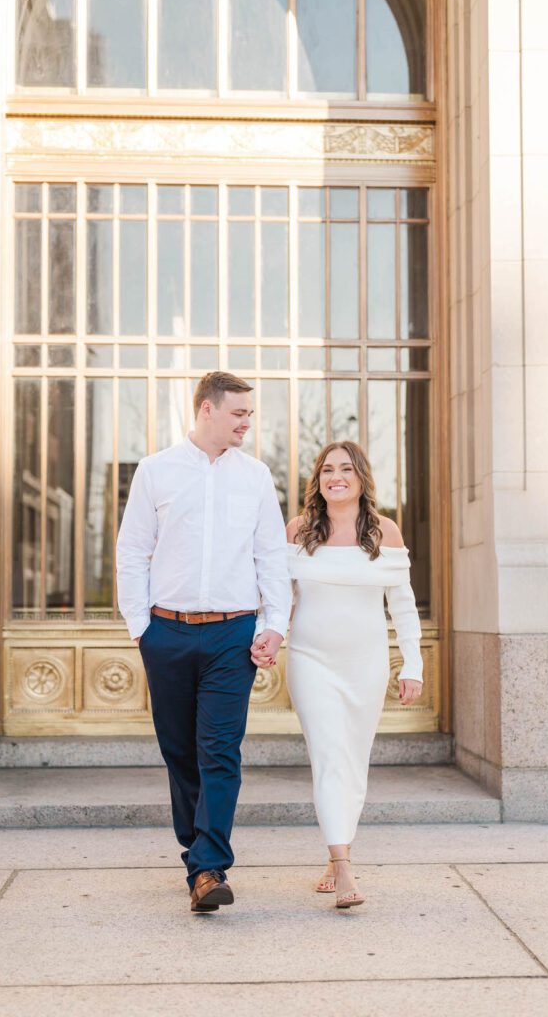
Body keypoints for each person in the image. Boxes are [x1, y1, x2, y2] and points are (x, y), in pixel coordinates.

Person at [117, 371, 291, 912]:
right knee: (180, 752)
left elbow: (270, 555)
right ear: (206, 410)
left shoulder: (257, 477)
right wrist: (141, 630)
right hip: (165, 631)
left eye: (249, 415)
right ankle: (198, 857)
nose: (246, 423)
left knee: (220, 750)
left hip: (232, 634)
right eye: (238, 413)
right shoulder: (155, 471)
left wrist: (274, 623)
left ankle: (210, 866)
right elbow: (131, 553)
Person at [252, 441, 423, 909]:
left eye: (346, 469)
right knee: (328, 755)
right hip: (311, 660)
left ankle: (336, 850)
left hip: (366, 664)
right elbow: (277, 597)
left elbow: (403, 606)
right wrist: (268, 635)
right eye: (328, 470)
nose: (336, 477)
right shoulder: (299, 530)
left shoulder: (383, 531)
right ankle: (344, 868)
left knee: (354, 760)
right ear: (318, 480)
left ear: (362, 477)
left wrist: (413, 664)